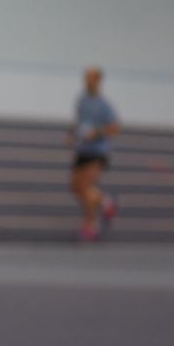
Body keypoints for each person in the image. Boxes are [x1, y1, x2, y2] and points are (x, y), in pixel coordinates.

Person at [67, 66, 120, 242]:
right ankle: (105, 201)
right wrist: (71, 134)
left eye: (90, 78)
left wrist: (96, 133)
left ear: (97, 80)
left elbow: (114, 127)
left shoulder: (104, 104)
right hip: (82, 150)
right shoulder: (81, 101)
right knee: (75, 187)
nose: (86, 81)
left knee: (86, 188)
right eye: (85, 77)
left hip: (97, 151)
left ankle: (91, 225)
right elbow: (79, 122)